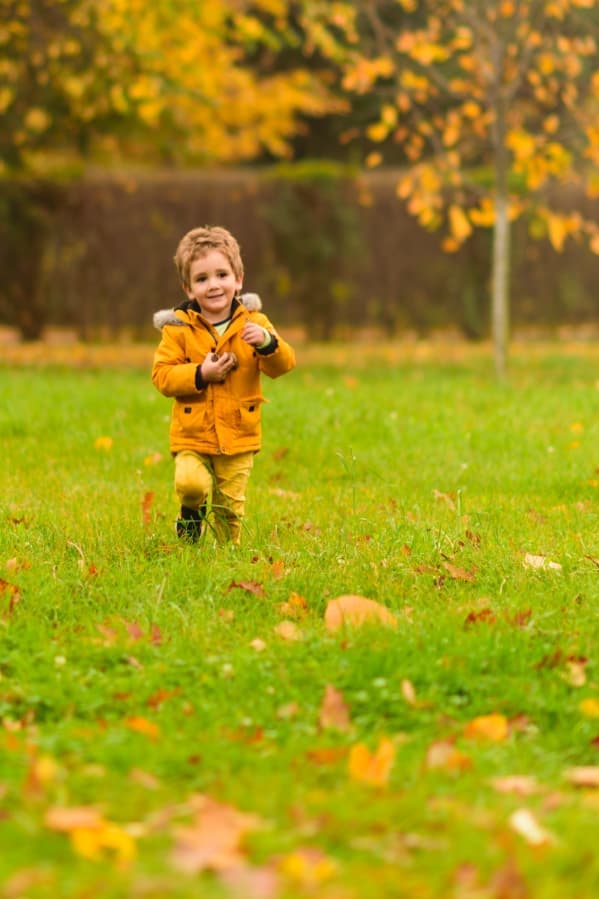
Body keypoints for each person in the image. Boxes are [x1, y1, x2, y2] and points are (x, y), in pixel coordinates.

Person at [151, 225, 295, 544]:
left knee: (229, 511)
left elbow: (284, 365)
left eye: (222, 275)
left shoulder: (255, 323)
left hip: (238, 433)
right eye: (202, 279)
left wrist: (267, 343)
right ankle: (191, 511)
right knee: (191, 483)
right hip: (193, 434)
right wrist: (200, 374)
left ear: (238, 279)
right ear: (189, 288)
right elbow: (162, 375)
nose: (214, 285)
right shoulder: (178, 330)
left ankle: (226, 560)